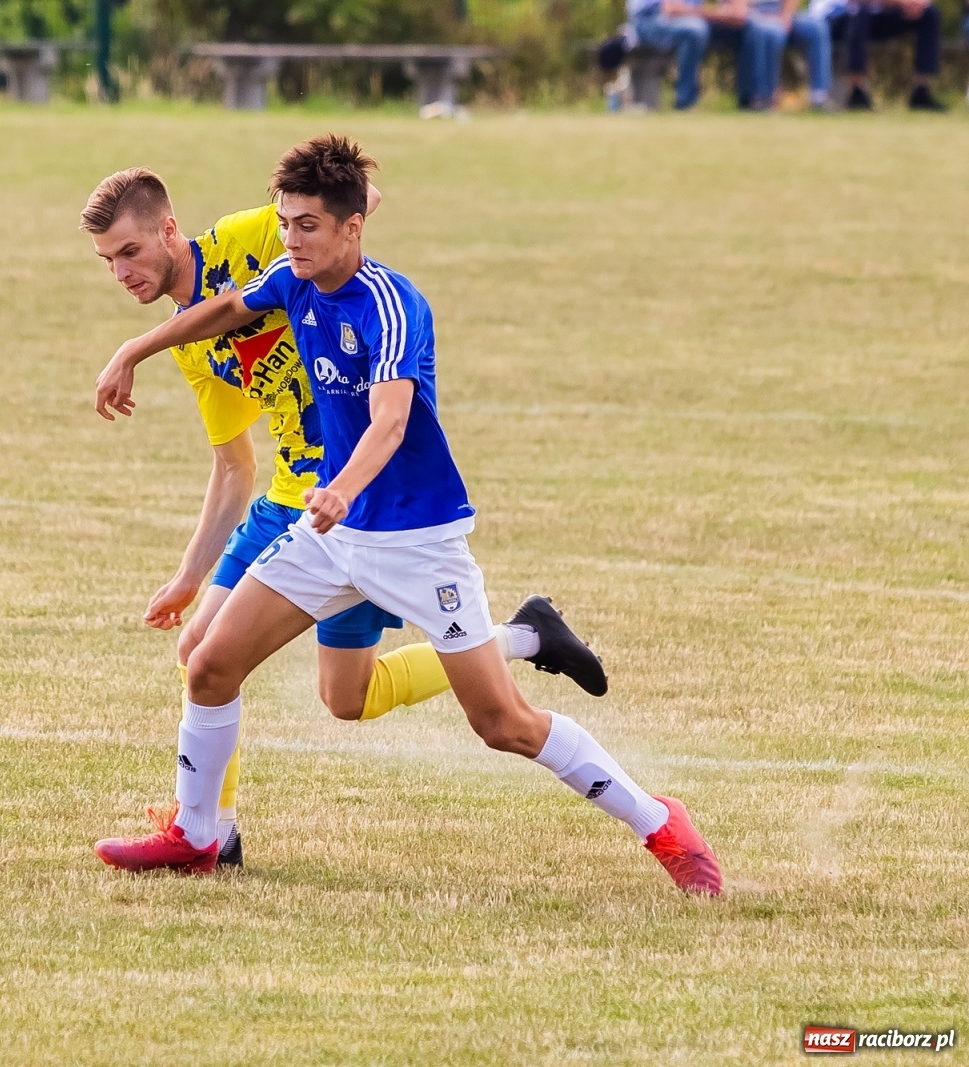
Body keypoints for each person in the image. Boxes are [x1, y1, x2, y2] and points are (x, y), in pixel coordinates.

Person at [91, 135, 722, 896]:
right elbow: (225, 307)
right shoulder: (291, 280)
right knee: (211, 664)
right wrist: (137, 349)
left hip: (417, 540)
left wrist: (343, 487)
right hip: (329, 534)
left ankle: (662, 822)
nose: (291, 240)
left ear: (353, 228)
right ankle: (197, 837)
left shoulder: (394, 305)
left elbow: (390, 420)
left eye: (309, 226)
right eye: (286, 223)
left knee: (503, 723)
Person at [628, 0, 774, 108]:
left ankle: (754, 101)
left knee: (752, 25)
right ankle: (684, 103)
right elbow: (672, 9)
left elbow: (738, 12)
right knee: (695, 30)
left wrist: (731, 11)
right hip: (650, 20)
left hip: (692, 17)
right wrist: (717, 12)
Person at [815, 0, 947, 109]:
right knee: (860, 13)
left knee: (929, 14)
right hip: (834, 17)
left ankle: (921, 91)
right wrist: (901, 3)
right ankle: (857, 91)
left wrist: (918, 4)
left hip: (877, 14)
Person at [752, 0, 834, 108]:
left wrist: (785, 17)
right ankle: (764, 96)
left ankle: (819, 96)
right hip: (753, 12)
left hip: (782, 11)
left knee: (817, 27)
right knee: (770, 32)